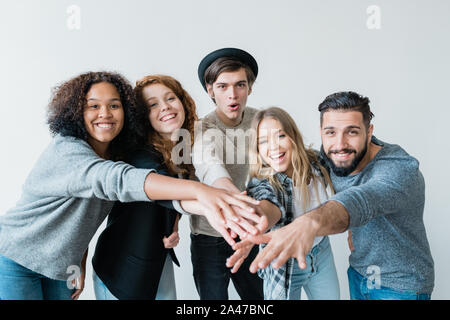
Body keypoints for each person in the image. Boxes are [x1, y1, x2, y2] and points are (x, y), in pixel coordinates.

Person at [0, 71, 259, 300]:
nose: (105, 113)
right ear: (76, 112)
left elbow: (79, 216)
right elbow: (121, 179)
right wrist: (202, 191)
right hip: (16, 258)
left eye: (114, 105)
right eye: (93, 106)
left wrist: (78, 257)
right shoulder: (68, 150)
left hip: (58, 268)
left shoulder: (116, 152)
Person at [235, 91, 435, 300]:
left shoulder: (399, 169)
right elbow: (268, 197)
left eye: (352, 132)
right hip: (360, 275)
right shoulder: (331, 158)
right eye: (330, 132)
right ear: (321, 132)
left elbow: (360, 201)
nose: (340, 143)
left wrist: (308, 223)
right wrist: (254, 215)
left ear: (369, 131)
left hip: (399, 287)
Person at [227, 107, 340, 300]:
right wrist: (257, 218)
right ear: (257, 149)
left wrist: (355, 227)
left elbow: (347, 187)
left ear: (293, 136)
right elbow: (268, 206)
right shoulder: (261, 182)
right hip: (284, 261)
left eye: (280, 136)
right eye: (263, 141)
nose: (274, 147)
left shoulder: (317, 162)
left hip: (321, 253)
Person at [190, 47, 264, 300]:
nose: (232, 94)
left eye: (240, 85)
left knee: (259, 299)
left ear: (250, 87)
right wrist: (231, 192)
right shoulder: (202, 128)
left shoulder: (261, 121)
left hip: (249, 231)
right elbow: (208, 163)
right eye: (222, 87)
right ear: (210, 91)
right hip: (210, 236)